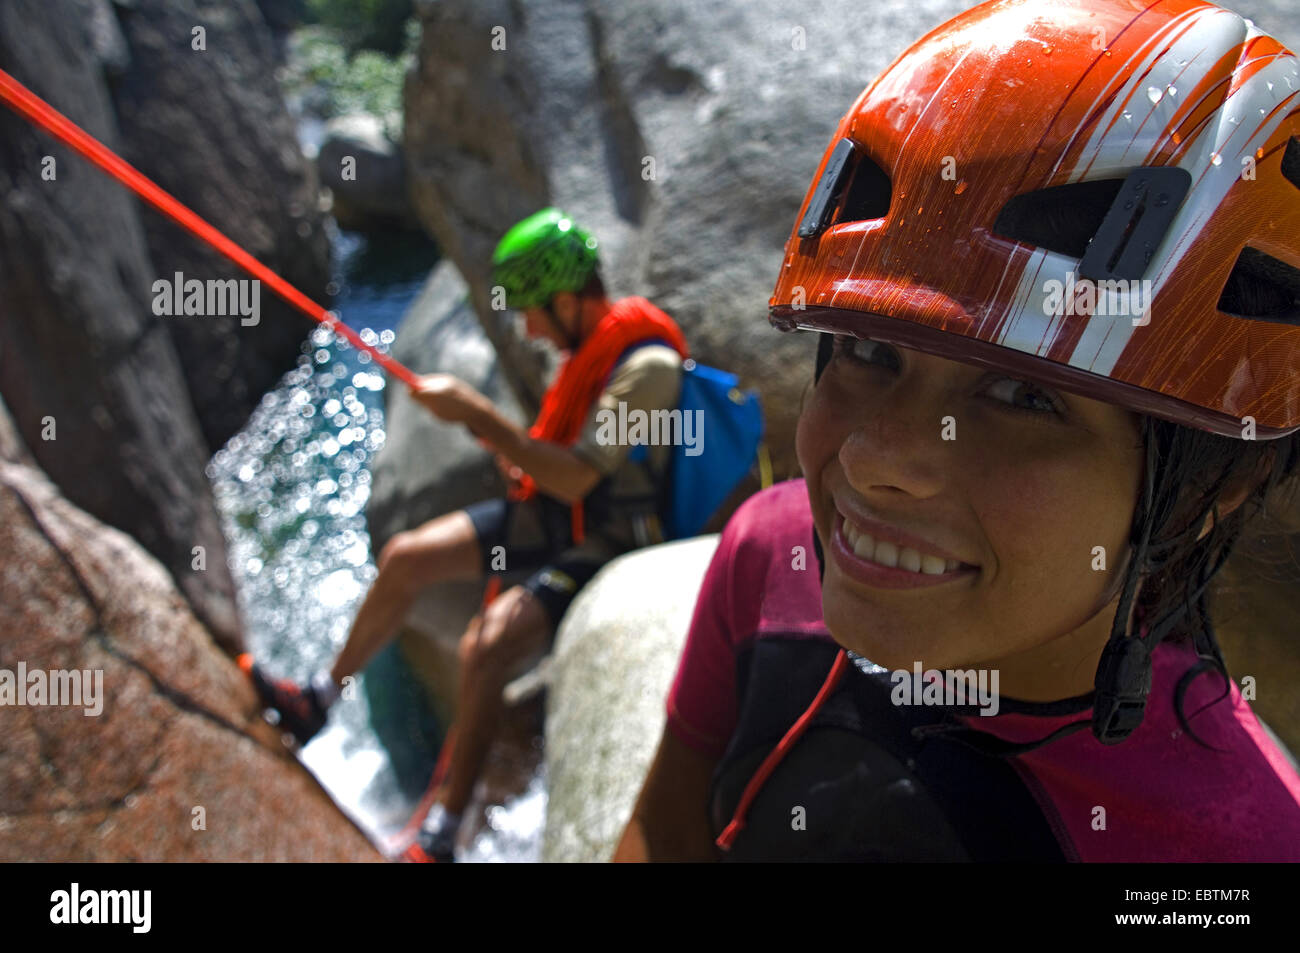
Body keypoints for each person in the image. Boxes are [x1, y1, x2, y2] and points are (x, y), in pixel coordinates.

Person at [614, 0, 1300, 862]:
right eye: (867, 349)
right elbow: (662, 834)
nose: (872, 461)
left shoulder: (1238, 855)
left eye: (1021, 394)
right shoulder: (770, 549)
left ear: (1209, 488)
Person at [245, 208, 688, 861]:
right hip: (553, 514)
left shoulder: (647, 366)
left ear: (566, 299)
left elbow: (576, 478)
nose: (527, 328)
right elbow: (558, 468)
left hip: (605, 538)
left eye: (532, 309)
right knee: (405, 558)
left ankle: (444, 832)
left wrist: (478, 414)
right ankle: (319, 699)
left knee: (485, 648)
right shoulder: (585, 353)